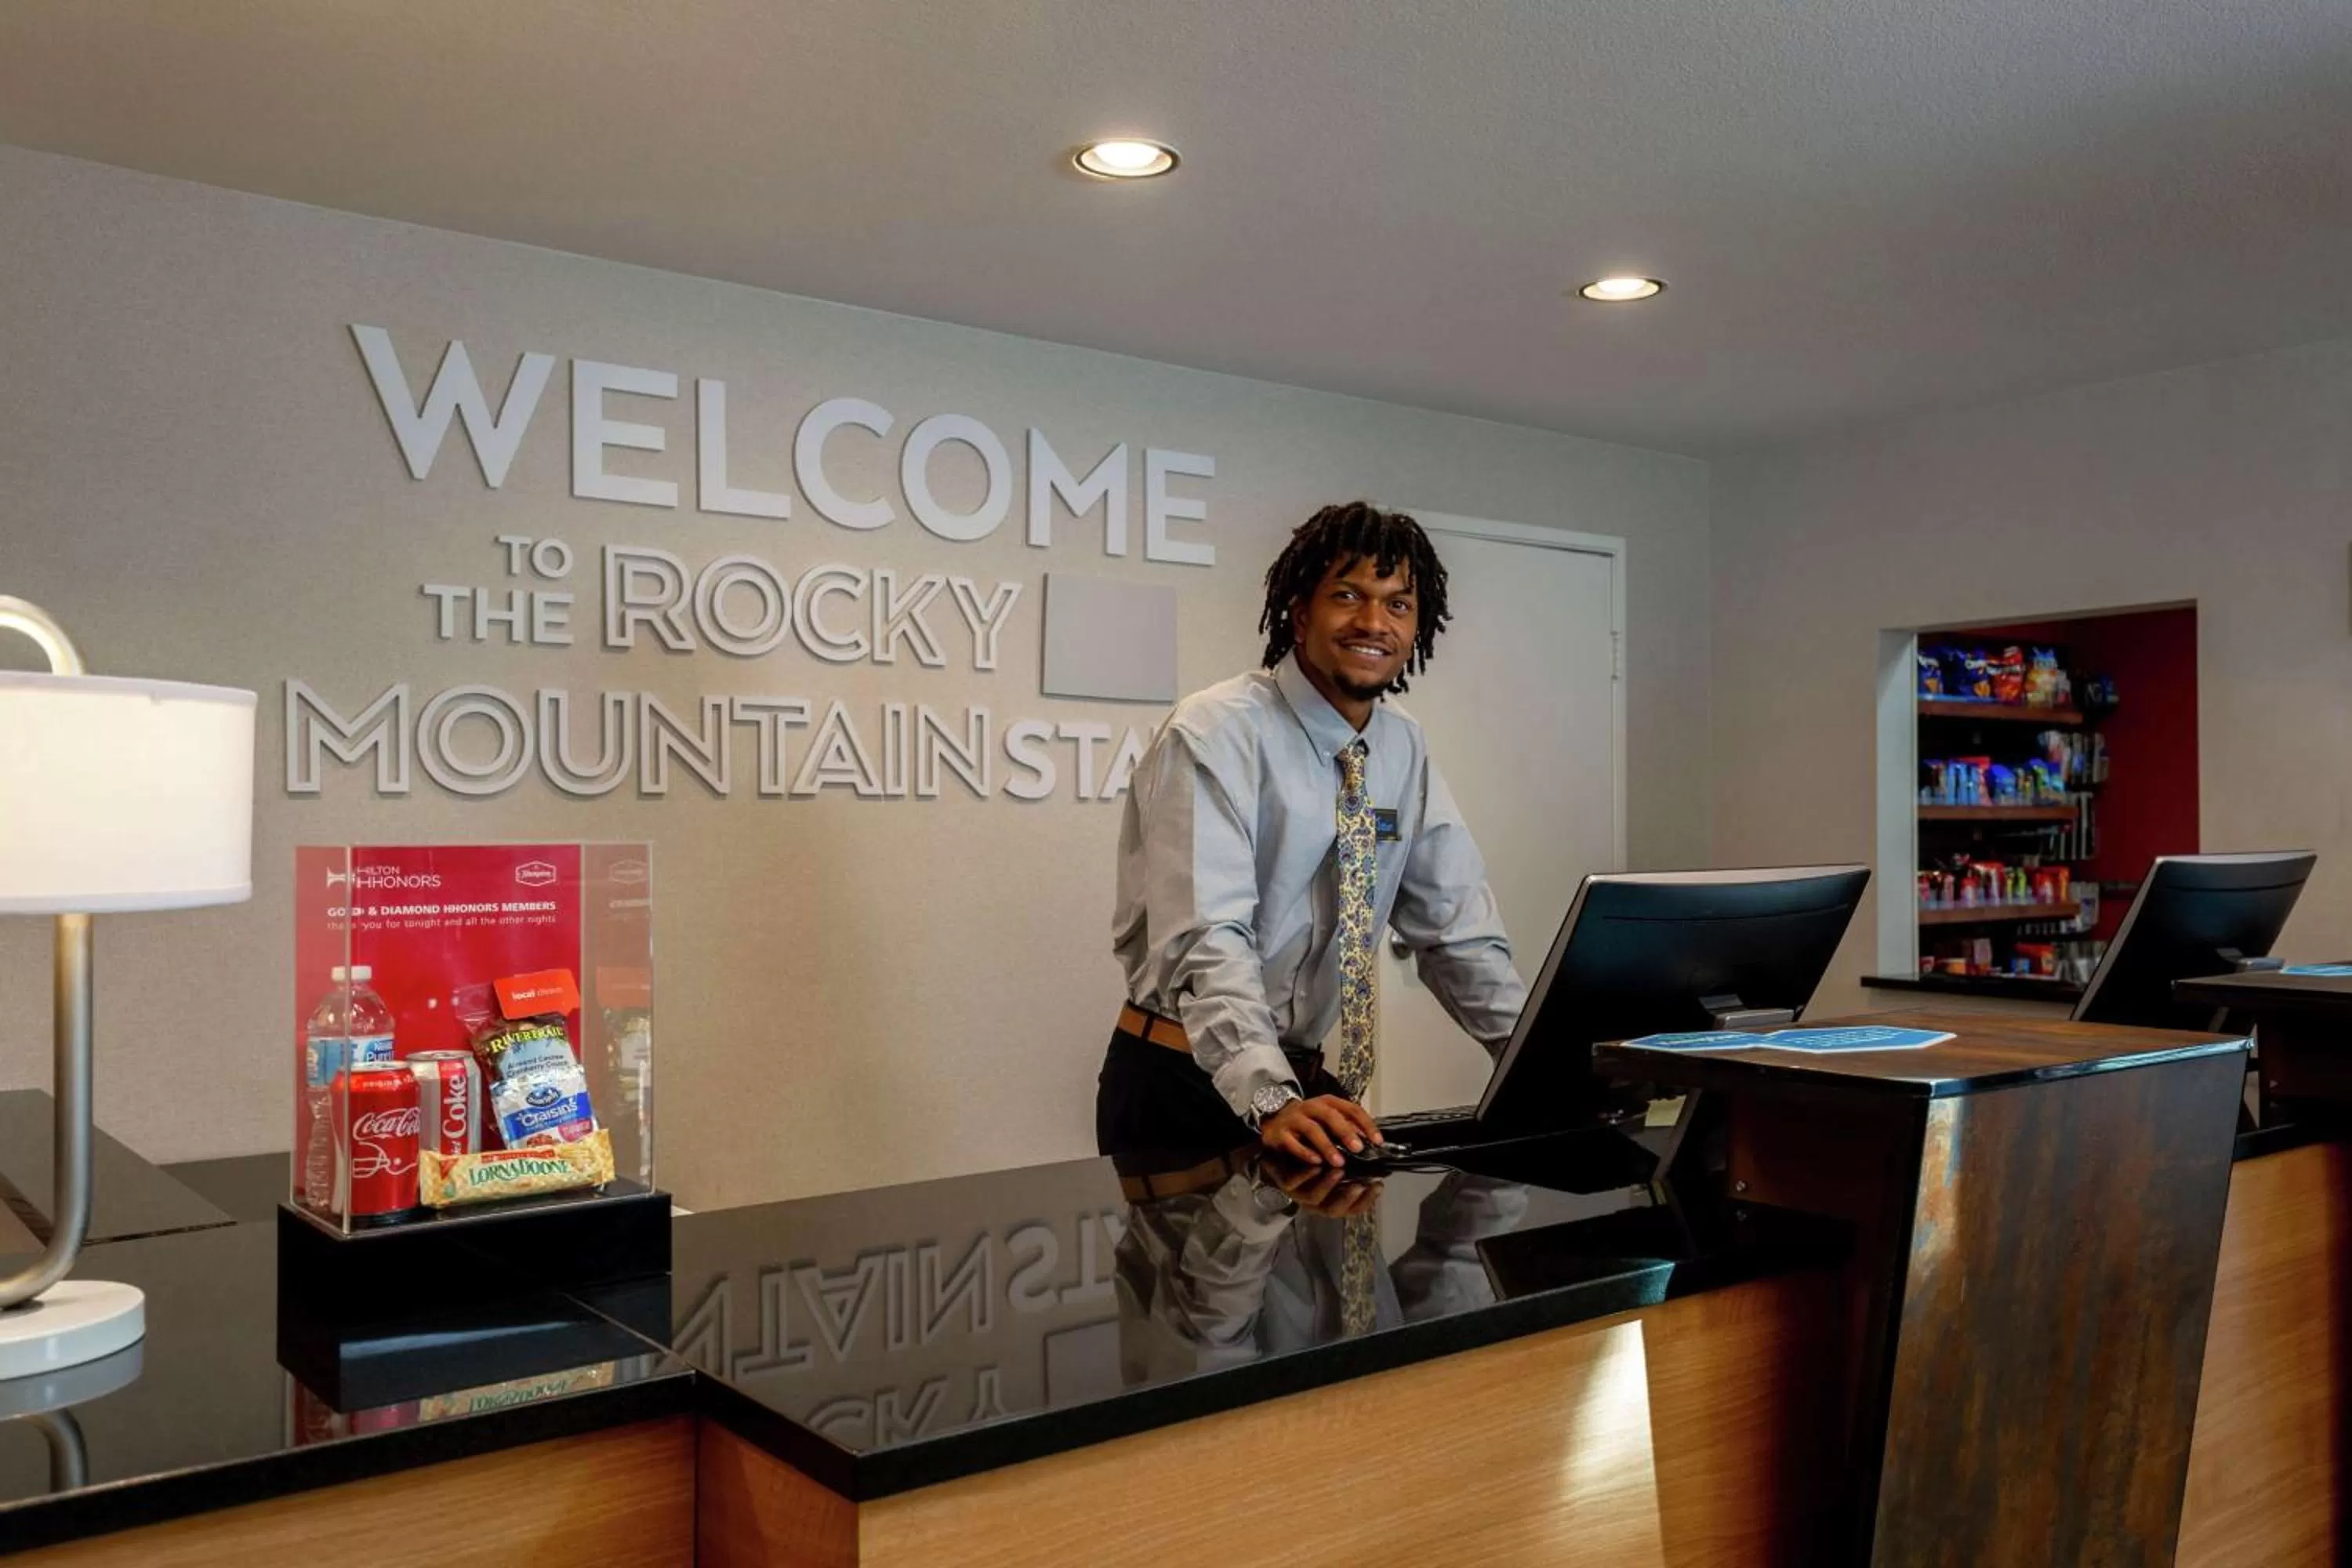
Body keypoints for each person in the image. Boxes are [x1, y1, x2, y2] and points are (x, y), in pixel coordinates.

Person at [1101, 500, 1527, 1166]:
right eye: (1348, 595)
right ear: (1301, 614)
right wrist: (1270, 1095)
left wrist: (1537, 1062)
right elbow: (1208, 936)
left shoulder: (1402, 746)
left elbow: (1456, 932)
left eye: (1397, 604)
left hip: (1302, 1085)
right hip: (1181, 1081)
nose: (1374, 622)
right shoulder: (1214, 733)